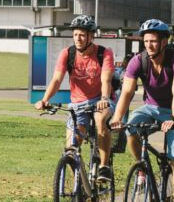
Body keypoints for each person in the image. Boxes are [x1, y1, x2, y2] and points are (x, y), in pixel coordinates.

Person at [110, 19, 174, 202]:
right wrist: (117, 117)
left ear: (164, 42)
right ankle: (142, 168)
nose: (149, 45)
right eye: (146, 41)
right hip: (150, 108)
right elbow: (126, 92)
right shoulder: (138, 61)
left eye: (153, 41)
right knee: (131, 130)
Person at [35, 15, 115, 182]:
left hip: (100, 99)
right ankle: (77, 189)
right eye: (75, 35)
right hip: (78, 104)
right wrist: (44, 99)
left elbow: (106, 79)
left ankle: (104, 166)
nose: (78, 39)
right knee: (71, 148)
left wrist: (104, 97)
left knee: (100, 120)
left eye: (82, 35)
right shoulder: (68, 53)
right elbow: (57, 79)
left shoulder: (104, 53)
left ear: (91, 37)